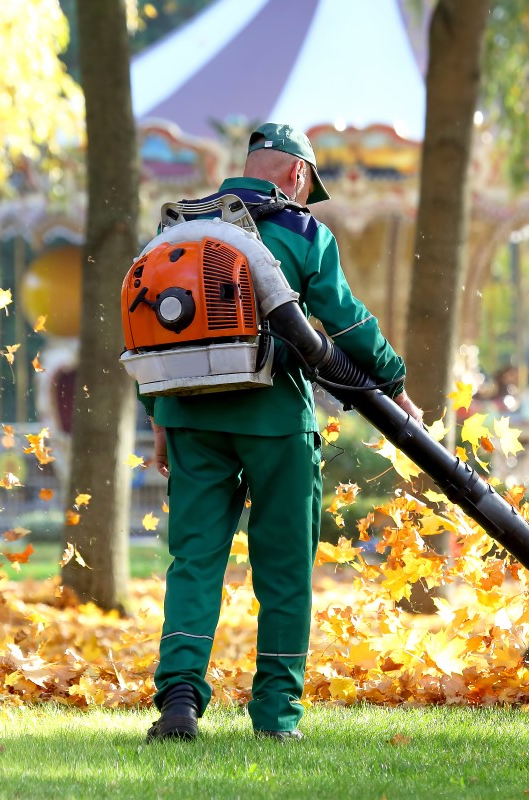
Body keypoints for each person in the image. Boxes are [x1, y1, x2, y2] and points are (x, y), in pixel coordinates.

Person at [140, 123, 422, 742]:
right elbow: (344, 323)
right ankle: (275, 716)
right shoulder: (300, 230)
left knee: (194, 562)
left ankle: (180, 698)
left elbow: (151, 329)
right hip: (275, 423)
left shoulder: (177, 230)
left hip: (189, 417)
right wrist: (393, 382)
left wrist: (158, 419)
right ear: (297, 175)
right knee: (285, 569)